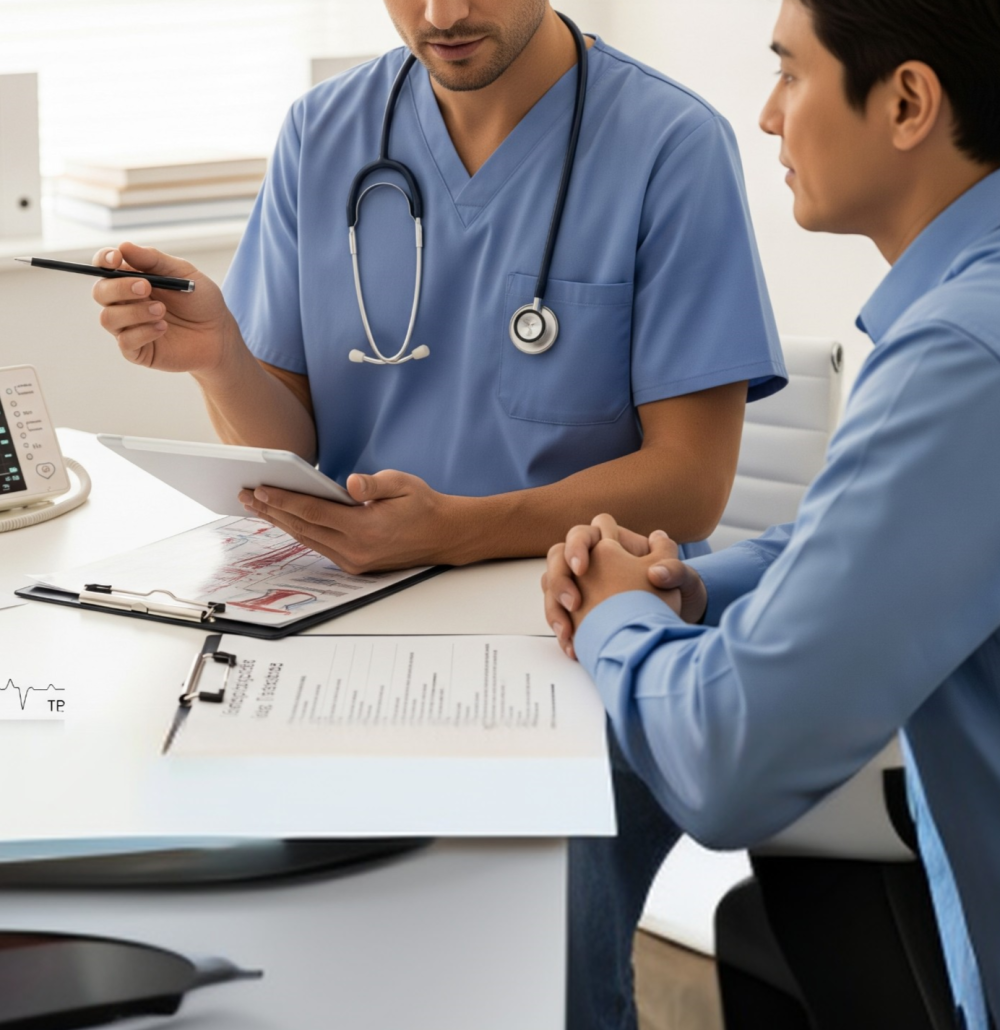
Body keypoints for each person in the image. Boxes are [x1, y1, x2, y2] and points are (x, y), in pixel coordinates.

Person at [542, 0, 1000, 1027]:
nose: (766, 115)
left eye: (790, 74)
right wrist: (697, 584)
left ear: (908, 101)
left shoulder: (964, 357)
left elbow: (726, 760)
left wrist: (617, 613)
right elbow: (886, 531)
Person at [90, 0, 784, 575]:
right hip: (364, 597)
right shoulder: (321, 132)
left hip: (583, 599)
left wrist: (456, 531)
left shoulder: (671, 144)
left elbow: (691, 485)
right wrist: (220, 358)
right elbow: (291, 452)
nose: (441, 14)